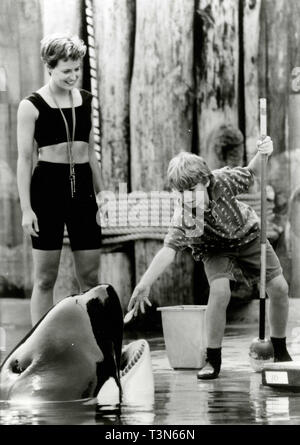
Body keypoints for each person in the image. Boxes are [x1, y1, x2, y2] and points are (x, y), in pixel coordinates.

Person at [127, 136, 292, 379]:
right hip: (214, 249)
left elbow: (253, 171)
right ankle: (212, 358)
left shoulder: (223, 181)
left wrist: (263, 151)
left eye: (191, 191)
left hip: (247, 236)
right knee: (220, 291)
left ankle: (279, 348)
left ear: (206, 181)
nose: (186, 198)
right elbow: (168, 251)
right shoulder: (184, 215)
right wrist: (144, 283)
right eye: (180, 192)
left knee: (279, 287)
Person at [17, 34, 102, 326]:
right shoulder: (31, 106)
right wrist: (27, 209)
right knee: (45, 278)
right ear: (49, 67)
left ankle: (94, 340)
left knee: (90, 277)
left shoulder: (88, 101)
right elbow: (24, 160)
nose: (73, 76)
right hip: (47, 190)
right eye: (67, 70)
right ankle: (39, 348)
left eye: (77, 69)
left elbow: (91, 153)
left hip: (82, 191)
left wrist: (103, 196)